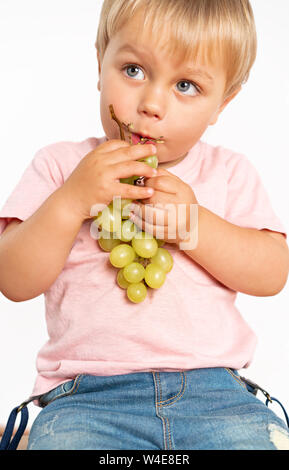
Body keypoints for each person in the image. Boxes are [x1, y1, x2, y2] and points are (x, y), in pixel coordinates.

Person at [0, 0, 289, 451]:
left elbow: (273, 272)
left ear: (222, 103)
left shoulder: (230, 173)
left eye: (187, 85)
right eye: (133, 70)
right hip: (87, 399)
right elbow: (12, 280)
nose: (152, 104)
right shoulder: (61, 167)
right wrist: (69, 202)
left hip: (216, 395)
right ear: (101, 63)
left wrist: (197, 226)